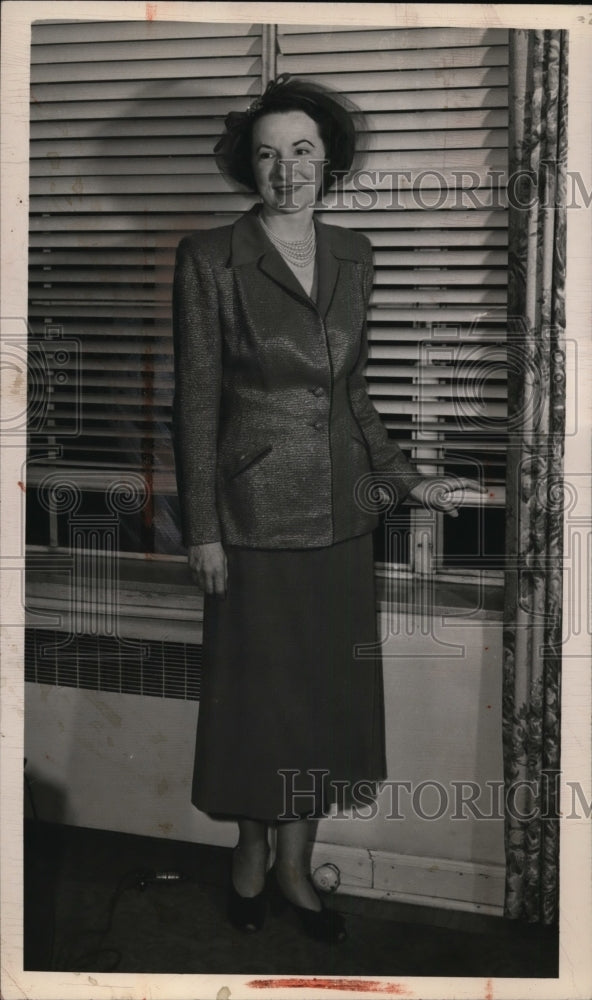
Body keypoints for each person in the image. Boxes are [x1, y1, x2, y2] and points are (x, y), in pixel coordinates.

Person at [171, 74, 485, 943]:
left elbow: (351, 396)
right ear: (250, 166)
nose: (287, 171)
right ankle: (249, 852)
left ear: (328, 160)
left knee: (319, 701)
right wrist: (202, 530)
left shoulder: (355, 252)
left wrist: (411, 481)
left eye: (303, 151)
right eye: (268, 155)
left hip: (341, 519)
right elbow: (194, 405)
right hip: (250, 522)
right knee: (255, 702)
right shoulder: (210, 257)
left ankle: (296, 867)